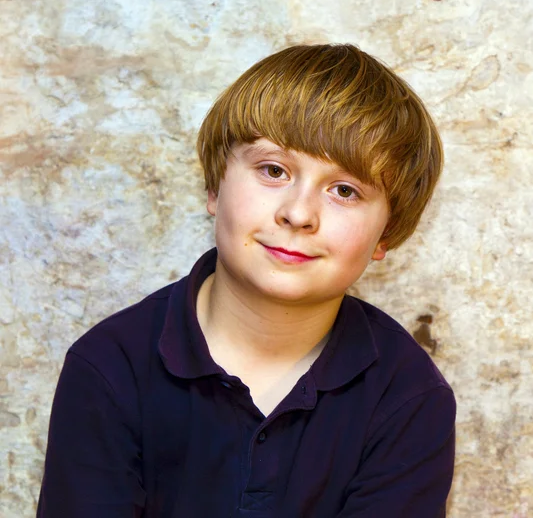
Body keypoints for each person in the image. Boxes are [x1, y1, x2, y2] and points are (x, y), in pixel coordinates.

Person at [37, 44, 455, 518]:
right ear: (214, 186)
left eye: (345, 190)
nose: (298, 214)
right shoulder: (109, 367)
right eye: (273, 170)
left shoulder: (409, 398)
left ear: (387, 233)